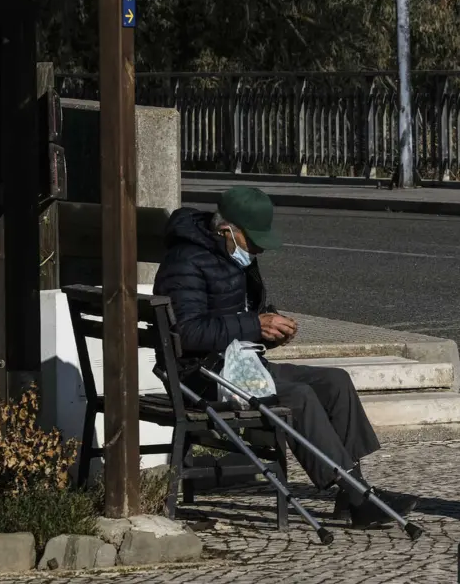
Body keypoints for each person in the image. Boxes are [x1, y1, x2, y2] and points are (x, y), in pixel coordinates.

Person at [153, 187, 417, 528]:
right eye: (253, 241)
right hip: (201, 377)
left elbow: (247, 314)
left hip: (241, 366)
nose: (258, 249)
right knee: (298, 397)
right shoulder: (185, 261)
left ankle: (352, 495)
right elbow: (188, 333)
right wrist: (255, 325)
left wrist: (272, 329)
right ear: (226, 230)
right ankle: (359, 497)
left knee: (334, 381)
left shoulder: (234, 255)